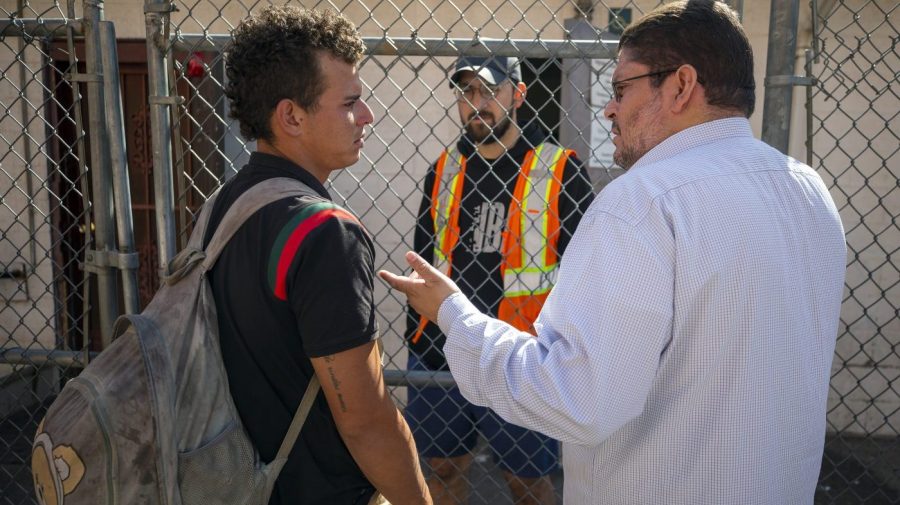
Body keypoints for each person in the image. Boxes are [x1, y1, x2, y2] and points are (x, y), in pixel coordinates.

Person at [380, 1, 847, 503]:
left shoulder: (642, 202)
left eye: (622, 89)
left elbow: (578, 398)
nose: (608, 108)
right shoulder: (807, 190)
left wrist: (454, 316)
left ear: (681, 86)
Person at [213, 7, 431, 505]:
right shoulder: (324, 232)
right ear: (291, 115)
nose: (367, 116)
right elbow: (367, 421)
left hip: (225, 484)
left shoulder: (222, 210)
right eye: (350, 102)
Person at [403, 56, 593, 505]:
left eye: (490, 90)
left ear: (519, 94)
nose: (477, 104)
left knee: (527, 483)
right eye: (467, 92)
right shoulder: (444, 169)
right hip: (442, 348)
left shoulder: (559, 169)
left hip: (520, 352)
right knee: (440, 471)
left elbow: (585, 274)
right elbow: (425, 259)